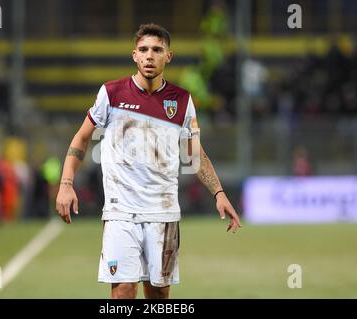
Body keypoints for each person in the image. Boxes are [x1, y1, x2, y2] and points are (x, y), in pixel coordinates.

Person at [55, 23, 242, 299]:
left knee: (158, 296)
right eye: (143, 50)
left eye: (157, 50)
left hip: (163, 214)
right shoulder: (112, 93)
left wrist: (219, 193)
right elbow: (81, 138)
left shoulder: (181, 101)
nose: (149, 56)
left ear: (169, 56)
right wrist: (66, 183)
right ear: (134, 55)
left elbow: (194, 154)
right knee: (122, 292)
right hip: (121, 213)